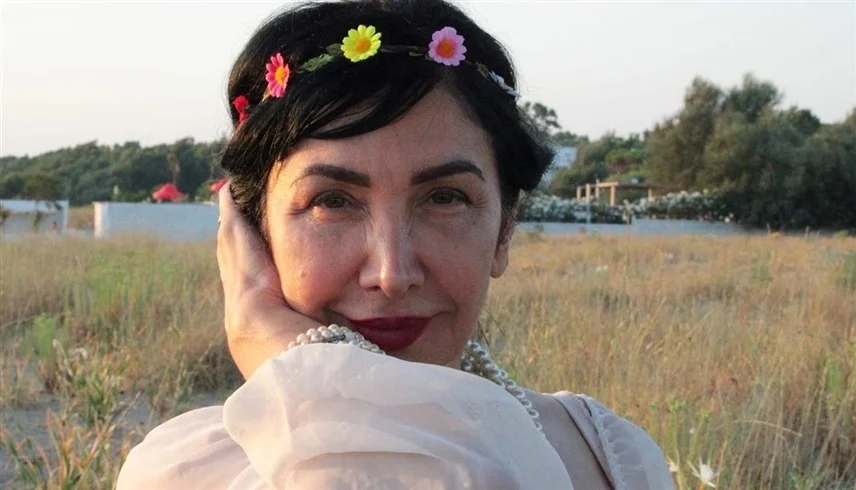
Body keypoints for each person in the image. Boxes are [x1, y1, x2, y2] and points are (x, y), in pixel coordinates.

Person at [117, 0, 674, 488]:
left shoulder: (612, 458)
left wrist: (275, 346)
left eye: (445, 198)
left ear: (505, 229)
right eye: (332, 201)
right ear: (253, 233)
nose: (391, 272)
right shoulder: (184, 473)